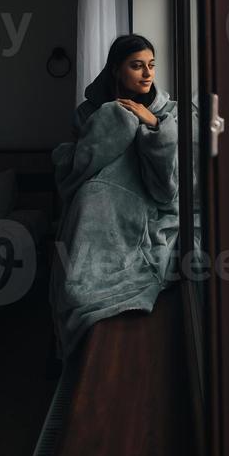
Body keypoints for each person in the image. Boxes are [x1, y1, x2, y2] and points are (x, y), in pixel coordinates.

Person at [50, 34, 179, 357]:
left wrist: (154, 126)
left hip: (144, 199)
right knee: (87, 206)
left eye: (151, 65)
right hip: (96, 195)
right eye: (136, 66)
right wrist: (113, 120)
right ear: (116, 71)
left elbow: (168, 185)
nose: (147, 74)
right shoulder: (87, 113)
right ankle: (79, 312)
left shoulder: (167, 112)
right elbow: (77, 165)